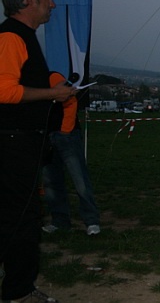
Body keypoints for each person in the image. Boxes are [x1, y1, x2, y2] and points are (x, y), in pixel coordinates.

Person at [0, 0, 75, 303]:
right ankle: (19, 291)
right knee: (21, 217)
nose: (53, 5)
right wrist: (52, 94)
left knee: (17, 214)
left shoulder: (23, 36)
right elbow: (3, 91)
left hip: (21, 141)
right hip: (13, 142)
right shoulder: (11, 37)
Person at [41, 72, 101, 236]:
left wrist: (65, 131)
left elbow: (70, 100)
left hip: (65, 135)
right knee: (51, 182)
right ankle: (59, 221)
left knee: (80, 179)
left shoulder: (52, 77)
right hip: (45, 136)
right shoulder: (27, 83)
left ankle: (91, 221)